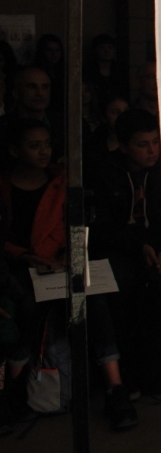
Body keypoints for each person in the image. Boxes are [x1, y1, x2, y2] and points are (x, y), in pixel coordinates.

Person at [1, 119, 138, 430]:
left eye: (47, 145)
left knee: (93, 299)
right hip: (19, 268)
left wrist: (67, 252)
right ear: (14, 150)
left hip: (59, 265)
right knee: (25, 307)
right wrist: (25, 255)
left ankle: (115, 387)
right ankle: (13, 390)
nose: (43, 152)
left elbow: (73, 227)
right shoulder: (5, 187)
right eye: (34, 146)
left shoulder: (60, 182)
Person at [90, 108, 161, 397]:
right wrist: (139, 246)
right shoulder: (104, 172)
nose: (152, 151)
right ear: (124, 146)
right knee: (120, 292)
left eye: (156, 142)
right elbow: (102, 227)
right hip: (120, 250)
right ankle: (126, 376)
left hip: (158, 248)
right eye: (143, 144)